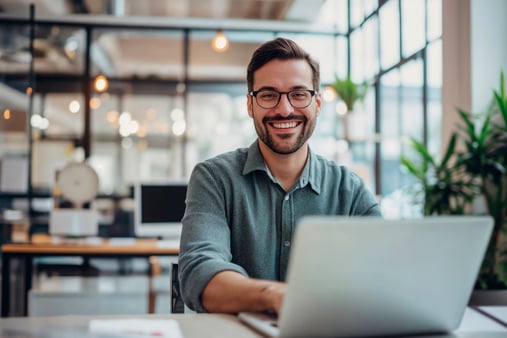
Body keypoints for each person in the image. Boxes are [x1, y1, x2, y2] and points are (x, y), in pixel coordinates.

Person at [178, 37, 381, 315]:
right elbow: (199, 273)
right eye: (268, 95)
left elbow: (384, 271)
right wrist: (274, 296)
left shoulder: (350, 190)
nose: (284, 109)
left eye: (299, 94)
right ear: (250, 106)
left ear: (317, 104)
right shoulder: (214, 178)